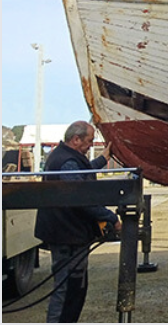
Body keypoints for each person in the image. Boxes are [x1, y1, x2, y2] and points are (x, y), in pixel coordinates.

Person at [34, 121, 121, 323]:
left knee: (75, 289)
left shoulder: (65, 157)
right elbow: (80, 198)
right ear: (76, 139)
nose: (91, 145)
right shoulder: (67, 161)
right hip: (67, 236)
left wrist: (101, 160)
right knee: (66, 291)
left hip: (68, 234)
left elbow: (79, 174)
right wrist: (111, 217)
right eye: (89, 141)